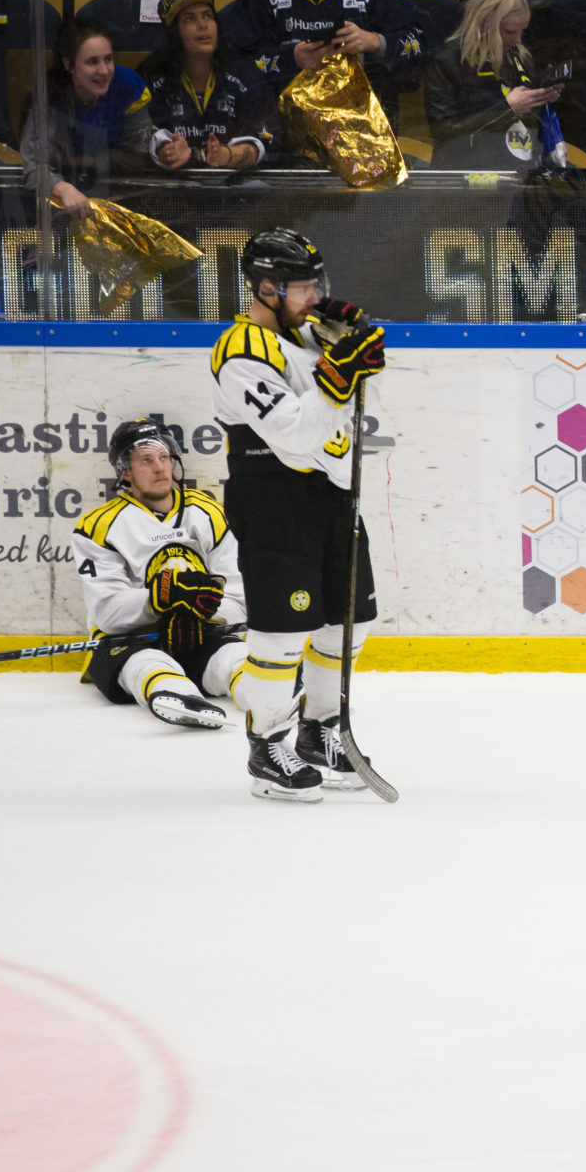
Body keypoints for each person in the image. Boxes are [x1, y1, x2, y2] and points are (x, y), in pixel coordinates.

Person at [209, 227, 386, 801]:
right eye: (302, 287)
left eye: (315, 284)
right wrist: (341, 372)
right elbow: (292, 430)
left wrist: (348, 346)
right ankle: (268, 744)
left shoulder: (309, 334)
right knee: (282, 635)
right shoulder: (238, 351)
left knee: (346, 620)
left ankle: (318, 730)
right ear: (265, 287)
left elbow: (352, 409)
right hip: (275, 496)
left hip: (332, 494)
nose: (314, 296)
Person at [70, 418, 249, 731]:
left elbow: (239, 601)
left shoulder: (208, 513)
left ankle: (267, 696)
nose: (160, 468)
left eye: (164, 457)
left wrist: (196, 611)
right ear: (124, 471)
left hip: (200, 633)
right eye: (146, 460)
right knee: (142, 663)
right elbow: (107, 613)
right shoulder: (97, 526)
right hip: (131, 641)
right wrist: (159, 600)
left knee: (235, 656)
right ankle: (175, 695)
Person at [224, 0, 428, 114]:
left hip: (369, 133)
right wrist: (289, 60)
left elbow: (419, 47)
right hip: (285, 139)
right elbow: (234, 66)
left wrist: (376, 42)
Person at [423, 0, 566, 172]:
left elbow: (530, 124)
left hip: (518, 172)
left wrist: (542, 96)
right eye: (510, 32)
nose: (518, 40)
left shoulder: (520, 58)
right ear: (485, 24)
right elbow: (444, 134)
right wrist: (507, 109)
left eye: (522, 31)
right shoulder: (447, 62)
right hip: (467, 176)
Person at [20, 17, 154, 219]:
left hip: (126, 201)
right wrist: (62, 188)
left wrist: (89, 160)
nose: (104, 70)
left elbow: (138, 158)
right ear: (69, 64)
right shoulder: (50, 97)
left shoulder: (128, 87)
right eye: (92, 62)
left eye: (108, 59)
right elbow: (33, 167)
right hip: (64, 208)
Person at [141, 0, 279, 173]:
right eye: (190, 19)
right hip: (174, 191)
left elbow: (263, 139)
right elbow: (144, 135)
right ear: (174, 34)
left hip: (237, 190)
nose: (202, 25)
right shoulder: (153, 80)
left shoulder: (246, 76)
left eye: (207, 16)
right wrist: (168, 150)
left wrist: (228, 155)